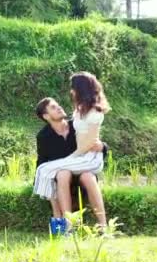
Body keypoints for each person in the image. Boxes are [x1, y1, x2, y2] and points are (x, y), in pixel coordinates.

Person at [34, 71, 110, 234]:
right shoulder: (44, 136)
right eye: (54, 107)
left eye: (58, 104)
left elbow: (92, 139)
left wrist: (102, 146)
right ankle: (67, 226)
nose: (60, 107)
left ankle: (104, 227)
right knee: (62, 173)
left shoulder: (75, 124)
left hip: (83, 167)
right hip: (63, 176)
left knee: (87, 176)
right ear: (46, 116)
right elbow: (42, 161)